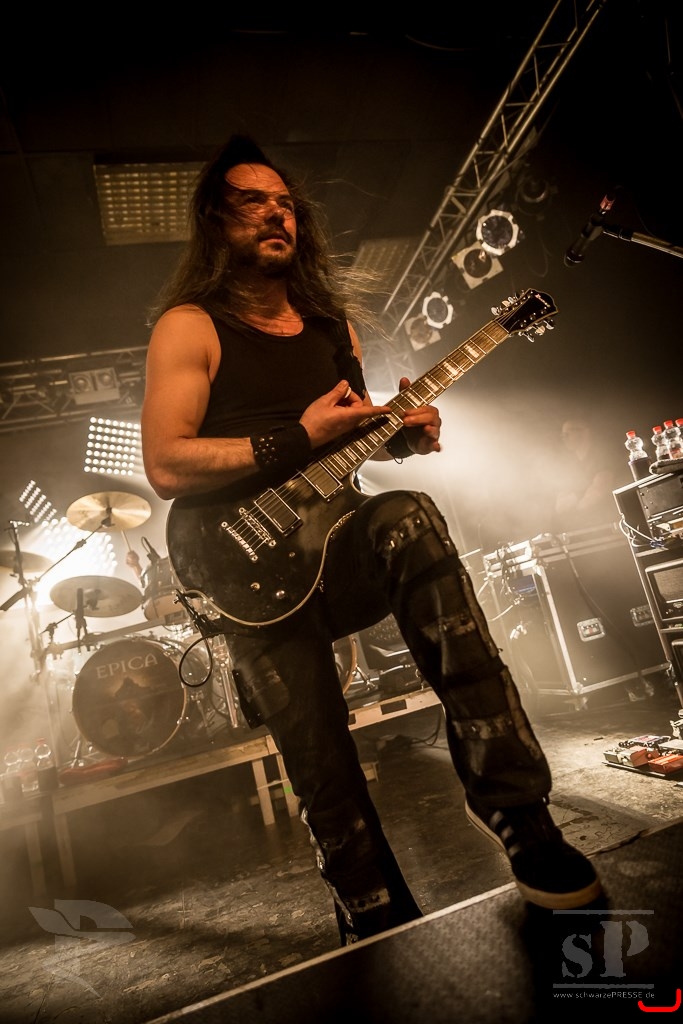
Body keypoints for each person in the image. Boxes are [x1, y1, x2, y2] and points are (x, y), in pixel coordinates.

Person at [140, 135, 602, 946]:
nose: (276, 214)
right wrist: (297, 434)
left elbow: (343, 445)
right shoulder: (190, 326)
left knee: (408, 514)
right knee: (316, 756)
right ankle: (369, 907)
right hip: (237, 566)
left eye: (285, 203)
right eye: (253, 202)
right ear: (215, 221)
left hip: (337, 546)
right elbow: (167, 465)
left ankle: (520, 816)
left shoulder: (332, 330)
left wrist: (398, 438)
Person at [552, 416, 619, 533]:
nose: (564, 438)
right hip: (582, 528)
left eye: (568, 434)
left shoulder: (602, 458)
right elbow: (560, 506)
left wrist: (575, 500)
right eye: (562, 435)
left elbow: (597, 493)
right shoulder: (570, 466)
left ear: (585, 432)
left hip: (607, 525)